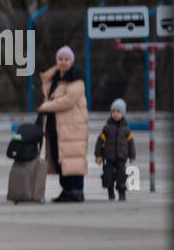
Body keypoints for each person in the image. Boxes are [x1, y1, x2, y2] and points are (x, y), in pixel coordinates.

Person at [38, 45, 89, 202]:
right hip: (57, 126)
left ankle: (76, 191)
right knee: (60, 158)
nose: (63, 62)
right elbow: (47, 89)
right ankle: (67, 190)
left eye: (67, 59)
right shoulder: (56, 79)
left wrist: (45, 107)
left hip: (72, 127)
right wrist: (52, 72)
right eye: (60, 59)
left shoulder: (76, 79)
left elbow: (68, 101)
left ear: (72, 61)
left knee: (72, 159)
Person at [95, 98, 135, 201]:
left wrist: (132, 155)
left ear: (123, 114)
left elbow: (131, 143)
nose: (115, 114)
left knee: (121, 175)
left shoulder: (126, 130)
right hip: (108, 157)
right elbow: (100, 141)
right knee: (108, 175)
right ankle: (110, 192)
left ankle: (122, 193)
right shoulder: (107, 128)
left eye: (118, 111)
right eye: (113, 111)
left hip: (121, 157)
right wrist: (98, 155)